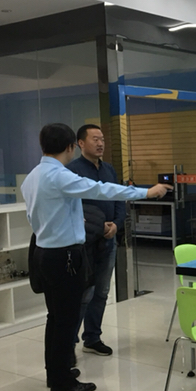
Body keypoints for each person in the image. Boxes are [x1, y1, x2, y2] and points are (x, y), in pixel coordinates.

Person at [22, 123, 171, 391]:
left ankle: (56, 372)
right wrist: (146, 193)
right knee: (66, 320)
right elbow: (101, 190)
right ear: (71, 146)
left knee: (55, 318)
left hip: (44, 252)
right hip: (65, 256)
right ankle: (62, 383)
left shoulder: (32, 177)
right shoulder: (60, 175)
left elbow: (34, 216)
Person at [67, 124, 123, 357]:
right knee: (83, 294)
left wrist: (116, 224)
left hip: (109, 240)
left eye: (102, 139)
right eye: (95, 139)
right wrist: (97, 226)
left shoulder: (109, 169)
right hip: (85, 243)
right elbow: (71, 207)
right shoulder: (72, 171)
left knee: (101, 292)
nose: (100, 144)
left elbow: (119, 198)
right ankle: (68, 344)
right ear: (80, 143)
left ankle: (92, 338)